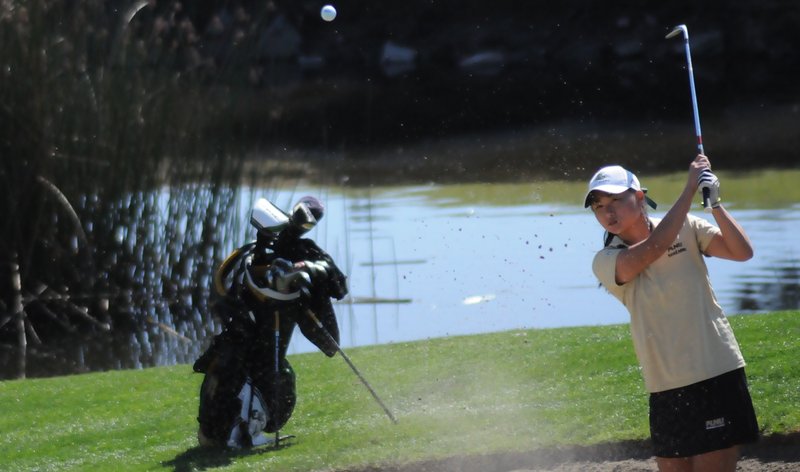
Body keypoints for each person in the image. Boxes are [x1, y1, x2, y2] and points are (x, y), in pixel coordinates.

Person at [584, 154, 759, 472]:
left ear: (639, 197)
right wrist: (689, 189)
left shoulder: (688, 227)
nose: (607, 212)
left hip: (714, 371)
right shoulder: (607, 260)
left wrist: (714, 205)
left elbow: (741, 251)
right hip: (664, 385)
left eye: (615, 201)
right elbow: (654, 247)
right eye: (598, 206)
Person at [193, 196, 348, 448]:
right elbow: (225, 289)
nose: (301, 223)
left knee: (268, 370)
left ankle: (239, 429)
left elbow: (337, 283)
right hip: (249, 333)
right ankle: (235, 431)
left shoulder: (303, 250)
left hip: (258, 330)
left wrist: (306, 268)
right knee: (258, 370)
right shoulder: (255, 252)